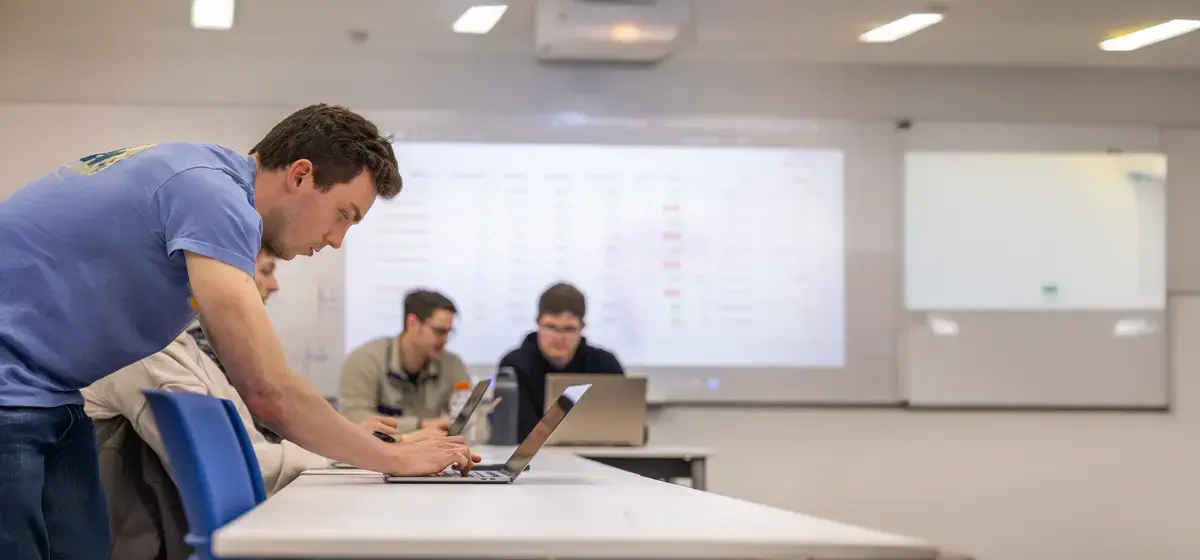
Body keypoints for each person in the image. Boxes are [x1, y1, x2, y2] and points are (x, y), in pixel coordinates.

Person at [0, 104, 476, 560]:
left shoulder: (201, 178)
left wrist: (370, 447)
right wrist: (393, 459)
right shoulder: (213, 196)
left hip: (52, 394)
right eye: (343, 215)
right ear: (301, 175)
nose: (336, 240)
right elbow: (269, 391)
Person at [83, 247, 407, 559]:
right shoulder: (143, 351)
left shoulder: (186, 349)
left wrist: (352, 449)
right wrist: (347, 453)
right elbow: (240, 465)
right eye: (265, 271)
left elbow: (248, 446)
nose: (275, 286)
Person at [498, 282, 624, 440]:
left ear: (582, 327)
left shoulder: (605, 365)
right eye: (550, 327)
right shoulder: (514, 365)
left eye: (569, 329)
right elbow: (517, 430)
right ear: (537, 323)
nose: (559, 337)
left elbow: (630, 426)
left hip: (597, 450)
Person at [339, 289, 470, 435]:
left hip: (433, 447)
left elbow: (475, 420)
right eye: (439, 331)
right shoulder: (365, 360)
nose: (445, 340)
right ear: (412, 323)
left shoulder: (452, 364)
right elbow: (354, 418)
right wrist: (419, 426)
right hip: (382, 448)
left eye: (449, 332)